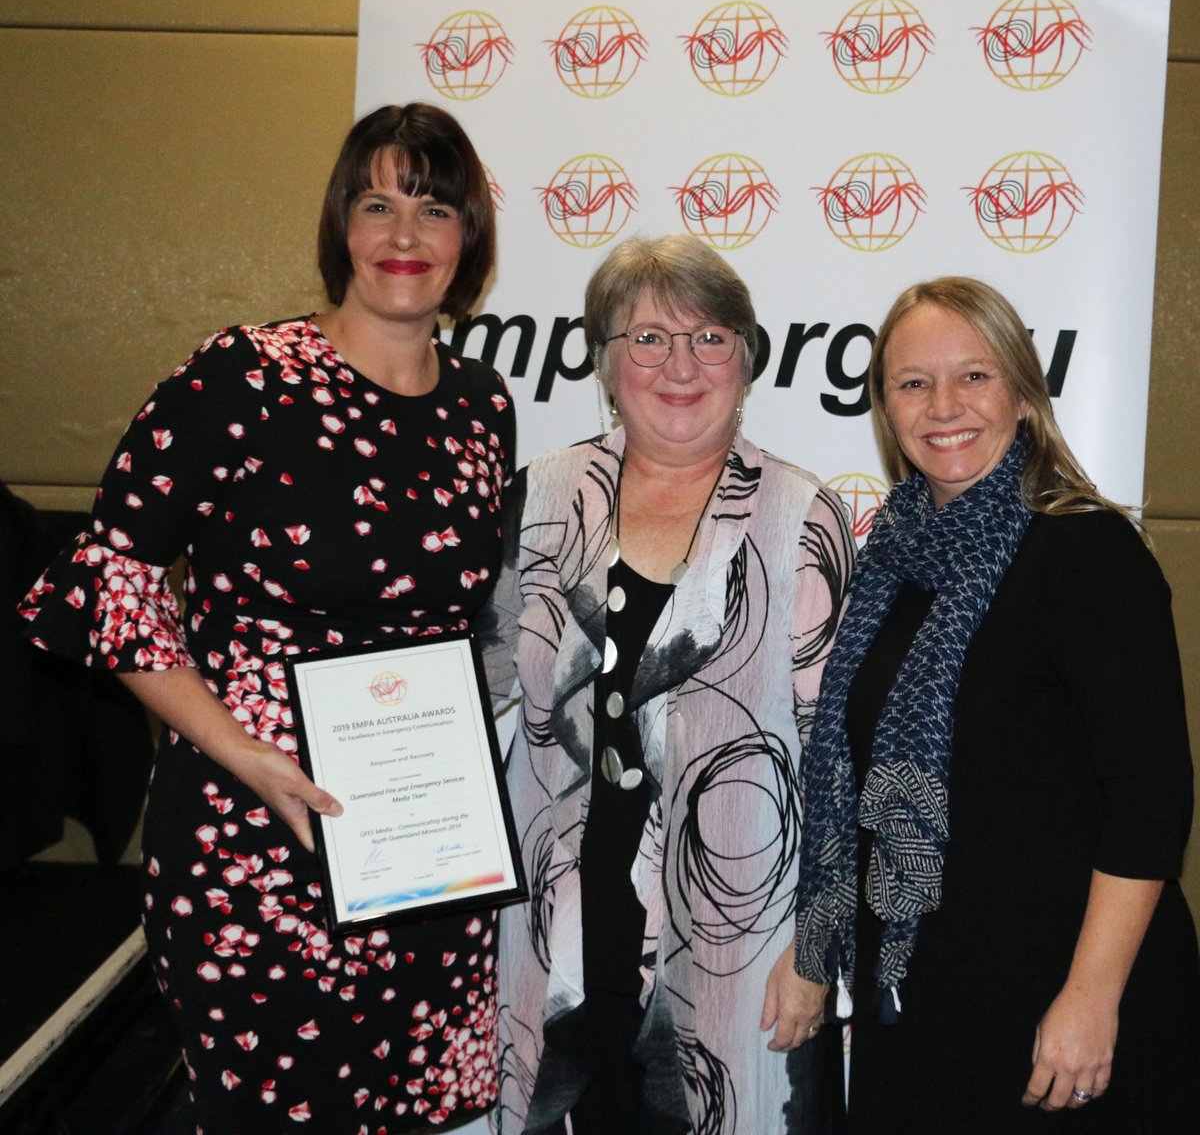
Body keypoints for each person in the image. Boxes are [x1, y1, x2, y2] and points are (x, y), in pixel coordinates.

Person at [19, 103, 514, 1131]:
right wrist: (243, 754)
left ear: (471, 236)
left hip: (416, 842)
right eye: (376, 204)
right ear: (341, 225)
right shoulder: (243, 377)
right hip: (254, 830)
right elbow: (108, 582)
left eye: (433, 208)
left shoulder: (482, 405)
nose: (404, 237)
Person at [794, 276, 1200, 1132]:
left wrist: (1090, 998)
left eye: (973, 376)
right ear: (885, 407)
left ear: (1021, 392)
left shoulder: (1086, 554)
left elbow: (1150, 802)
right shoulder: (892, 562)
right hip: (921, 999)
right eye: (913, 383)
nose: (944, 405)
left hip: (1062, 1006)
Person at [480, 234, 855, 1132]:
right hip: (549, 940)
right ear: (605, 364)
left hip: (739, 948)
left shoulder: (802, 515)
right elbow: (483, 699)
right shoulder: (537, 496)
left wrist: (819, 940)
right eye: (646, 339)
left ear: (748, 359)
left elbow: (839, 755)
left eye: (710, 338)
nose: (679, 365)